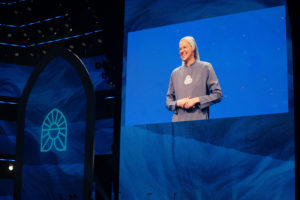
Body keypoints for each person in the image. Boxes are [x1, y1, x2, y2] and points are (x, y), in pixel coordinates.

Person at [166, 36, 222, 122]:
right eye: (180, 49)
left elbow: (218, 95)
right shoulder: (175, 73)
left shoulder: (206, 68)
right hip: (178, 124)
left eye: (185, 47)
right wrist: (178, 103)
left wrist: (196, 100)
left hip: (199, 123)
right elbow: (168, 102)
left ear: (193, 48)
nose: (182, 51)